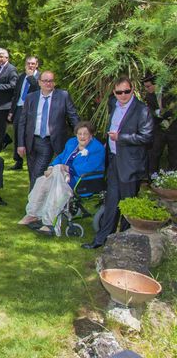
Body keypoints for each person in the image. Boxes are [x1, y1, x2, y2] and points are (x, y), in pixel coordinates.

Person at [83, 77, 154, 249]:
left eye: (127, 91)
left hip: (130, 164)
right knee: (111, 201)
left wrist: (120, 138)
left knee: (127, 203)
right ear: (114, 92)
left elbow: (147, 137)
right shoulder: (113, 104)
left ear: (132, 90)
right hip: (114, 160)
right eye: (119, 92)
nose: (123, 95)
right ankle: (101, 239)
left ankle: (123, 243)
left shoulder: (141, 110)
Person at [19, 121, 105, 235]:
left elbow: (89, 167)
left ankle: (50, 223)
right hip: (61, 176)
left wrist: (67, 169)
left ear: (91, 135)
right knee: (41, 182)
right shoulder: (72, 143)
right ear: (76, 134)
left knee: (58, 188)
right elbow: (60, 157)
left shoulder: (97, 148)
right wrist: (51, 167)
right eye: (80, 134)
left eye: (85, 134)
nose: (82, 136)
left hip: (81, 180)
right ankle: (33, 214)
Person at [18, 70, 80, 190]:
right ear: (39, 82)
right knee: (32, 174)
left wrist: (81, 135)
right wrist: (20, 144)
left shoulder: (63, 96)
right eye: (45, 81)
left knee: (37, 173)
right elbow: (22, 122)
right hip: (31, 141)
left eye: (50, 81)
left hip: (48, 141)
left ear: (54, 83)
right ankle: (39, 199)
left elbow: (73, 116)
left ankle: (32, 206)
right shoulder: (31, 97)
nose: (48, 83)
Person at [8, 56, 40, 170]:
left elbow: (38, 89)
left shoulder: (40, 77)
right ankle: (18, 161)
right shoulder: (21, 76)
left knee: (30, 133)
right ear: (25, 65)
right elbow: (16, 94)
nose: (30, 66)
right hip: (19, 108)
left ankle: (33, 160)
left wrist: (31, 77)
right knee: (17, 133)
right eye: (28, 63)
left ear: (37, 65)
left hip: (32, 110)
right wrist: (12, 111)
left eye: (33, 64)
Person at [143, 75, 176, 174]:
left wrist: (162, 114)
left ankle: (172, 176)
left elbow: (173, 109)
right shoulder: (149, 96)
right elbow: (151, 111)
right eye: (145, 87)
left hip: (173, 127)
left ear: (156, 84)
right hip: (159, 128)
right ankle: (152, 177)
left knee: (174, 154)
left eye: (148, 86)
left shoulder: (170, 91)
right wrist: (158, 114)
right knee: (154, 153)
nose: (147, 89)